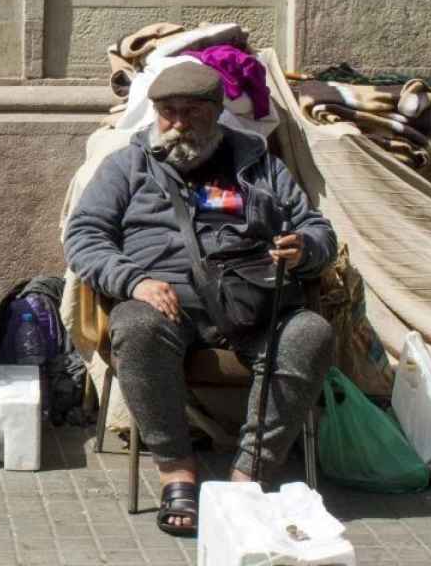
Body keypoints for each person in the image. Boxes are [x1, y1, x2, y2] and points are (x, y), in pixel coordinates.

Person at [63, 62, 337, 536]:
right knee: (136, 324)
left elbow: (316, 229)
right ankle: (177, 474)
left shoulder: (258, 164)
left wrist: (305, 250)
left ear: (216, 112)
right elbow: (84, 236)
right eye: (168, 112)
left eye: (192, 111)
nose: (179, 123)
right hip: (165, 305)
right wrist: (133, 281)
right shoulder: (128, 165)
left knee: (311, 332)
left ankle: (247, 479)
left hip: (256, 303)